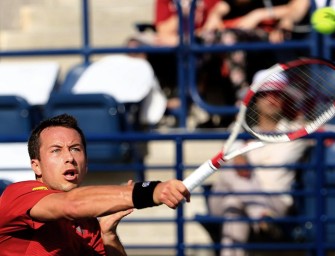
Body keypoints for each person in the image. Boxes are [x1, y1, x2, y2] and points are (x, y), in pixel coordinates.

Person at [0, 113, 190, 255]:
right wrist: (150, 192)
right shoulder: (18, 194)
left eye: (75, 149)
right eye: (56, 150)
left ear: (86, 164)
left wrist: (108, 235)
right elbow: (71, 204)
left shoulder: (89, 224)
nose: (69, 157)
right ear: (36, 166)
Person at [208, 70, 311, 256]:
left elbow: (325, 130)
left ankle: (261, 215)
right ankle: (261, 217)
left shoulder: (298, 132)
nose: (271, 98)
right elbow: (239, 168)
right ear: (255, 99)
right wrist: (238, 160)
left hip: (274, 203)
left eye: (277, 93)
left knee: (234, 203)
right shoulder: (237, 130)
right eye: (265, 93)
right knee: (232, 171)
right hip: (230, 202)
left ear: (285, 99)